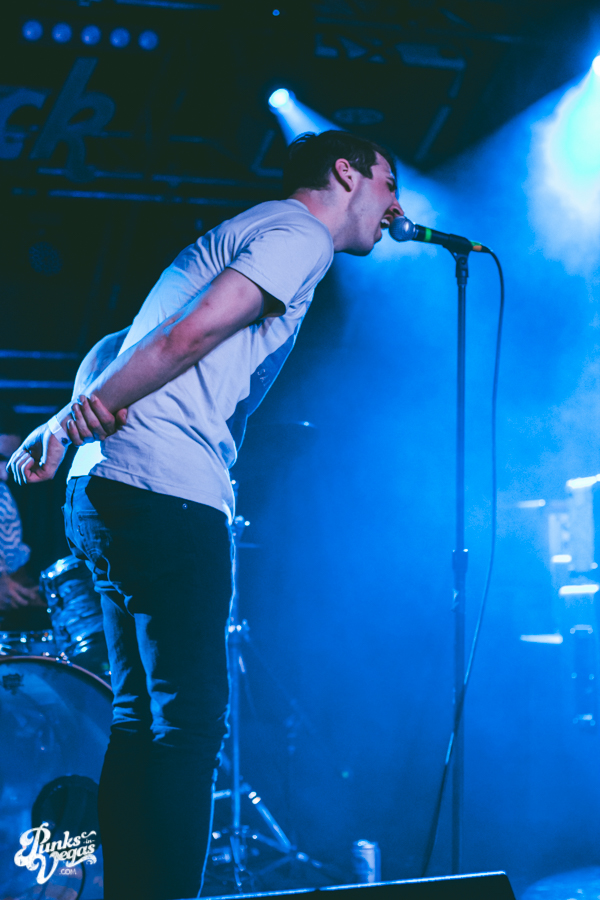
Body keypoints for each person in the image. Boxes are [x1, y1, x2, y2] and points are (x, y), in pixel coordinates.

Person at [9, 131, 403, 900]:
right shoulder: (299, 234)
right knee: (187, 731)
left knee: (139, 721)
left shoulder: (247, 228)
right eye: (390, 185)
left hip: (108, 490)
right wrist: (75, 420)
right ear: (347, 173)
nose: (396, 208)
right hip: (165, 492)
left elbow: (118, 344)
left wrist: (68, 423)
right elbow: (190, 333)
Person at [0, 404, 44, 612]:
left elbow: (14, 563)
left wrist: (27, 593)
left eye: (7, 462)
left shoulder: (3, 496)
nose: (4, 475)